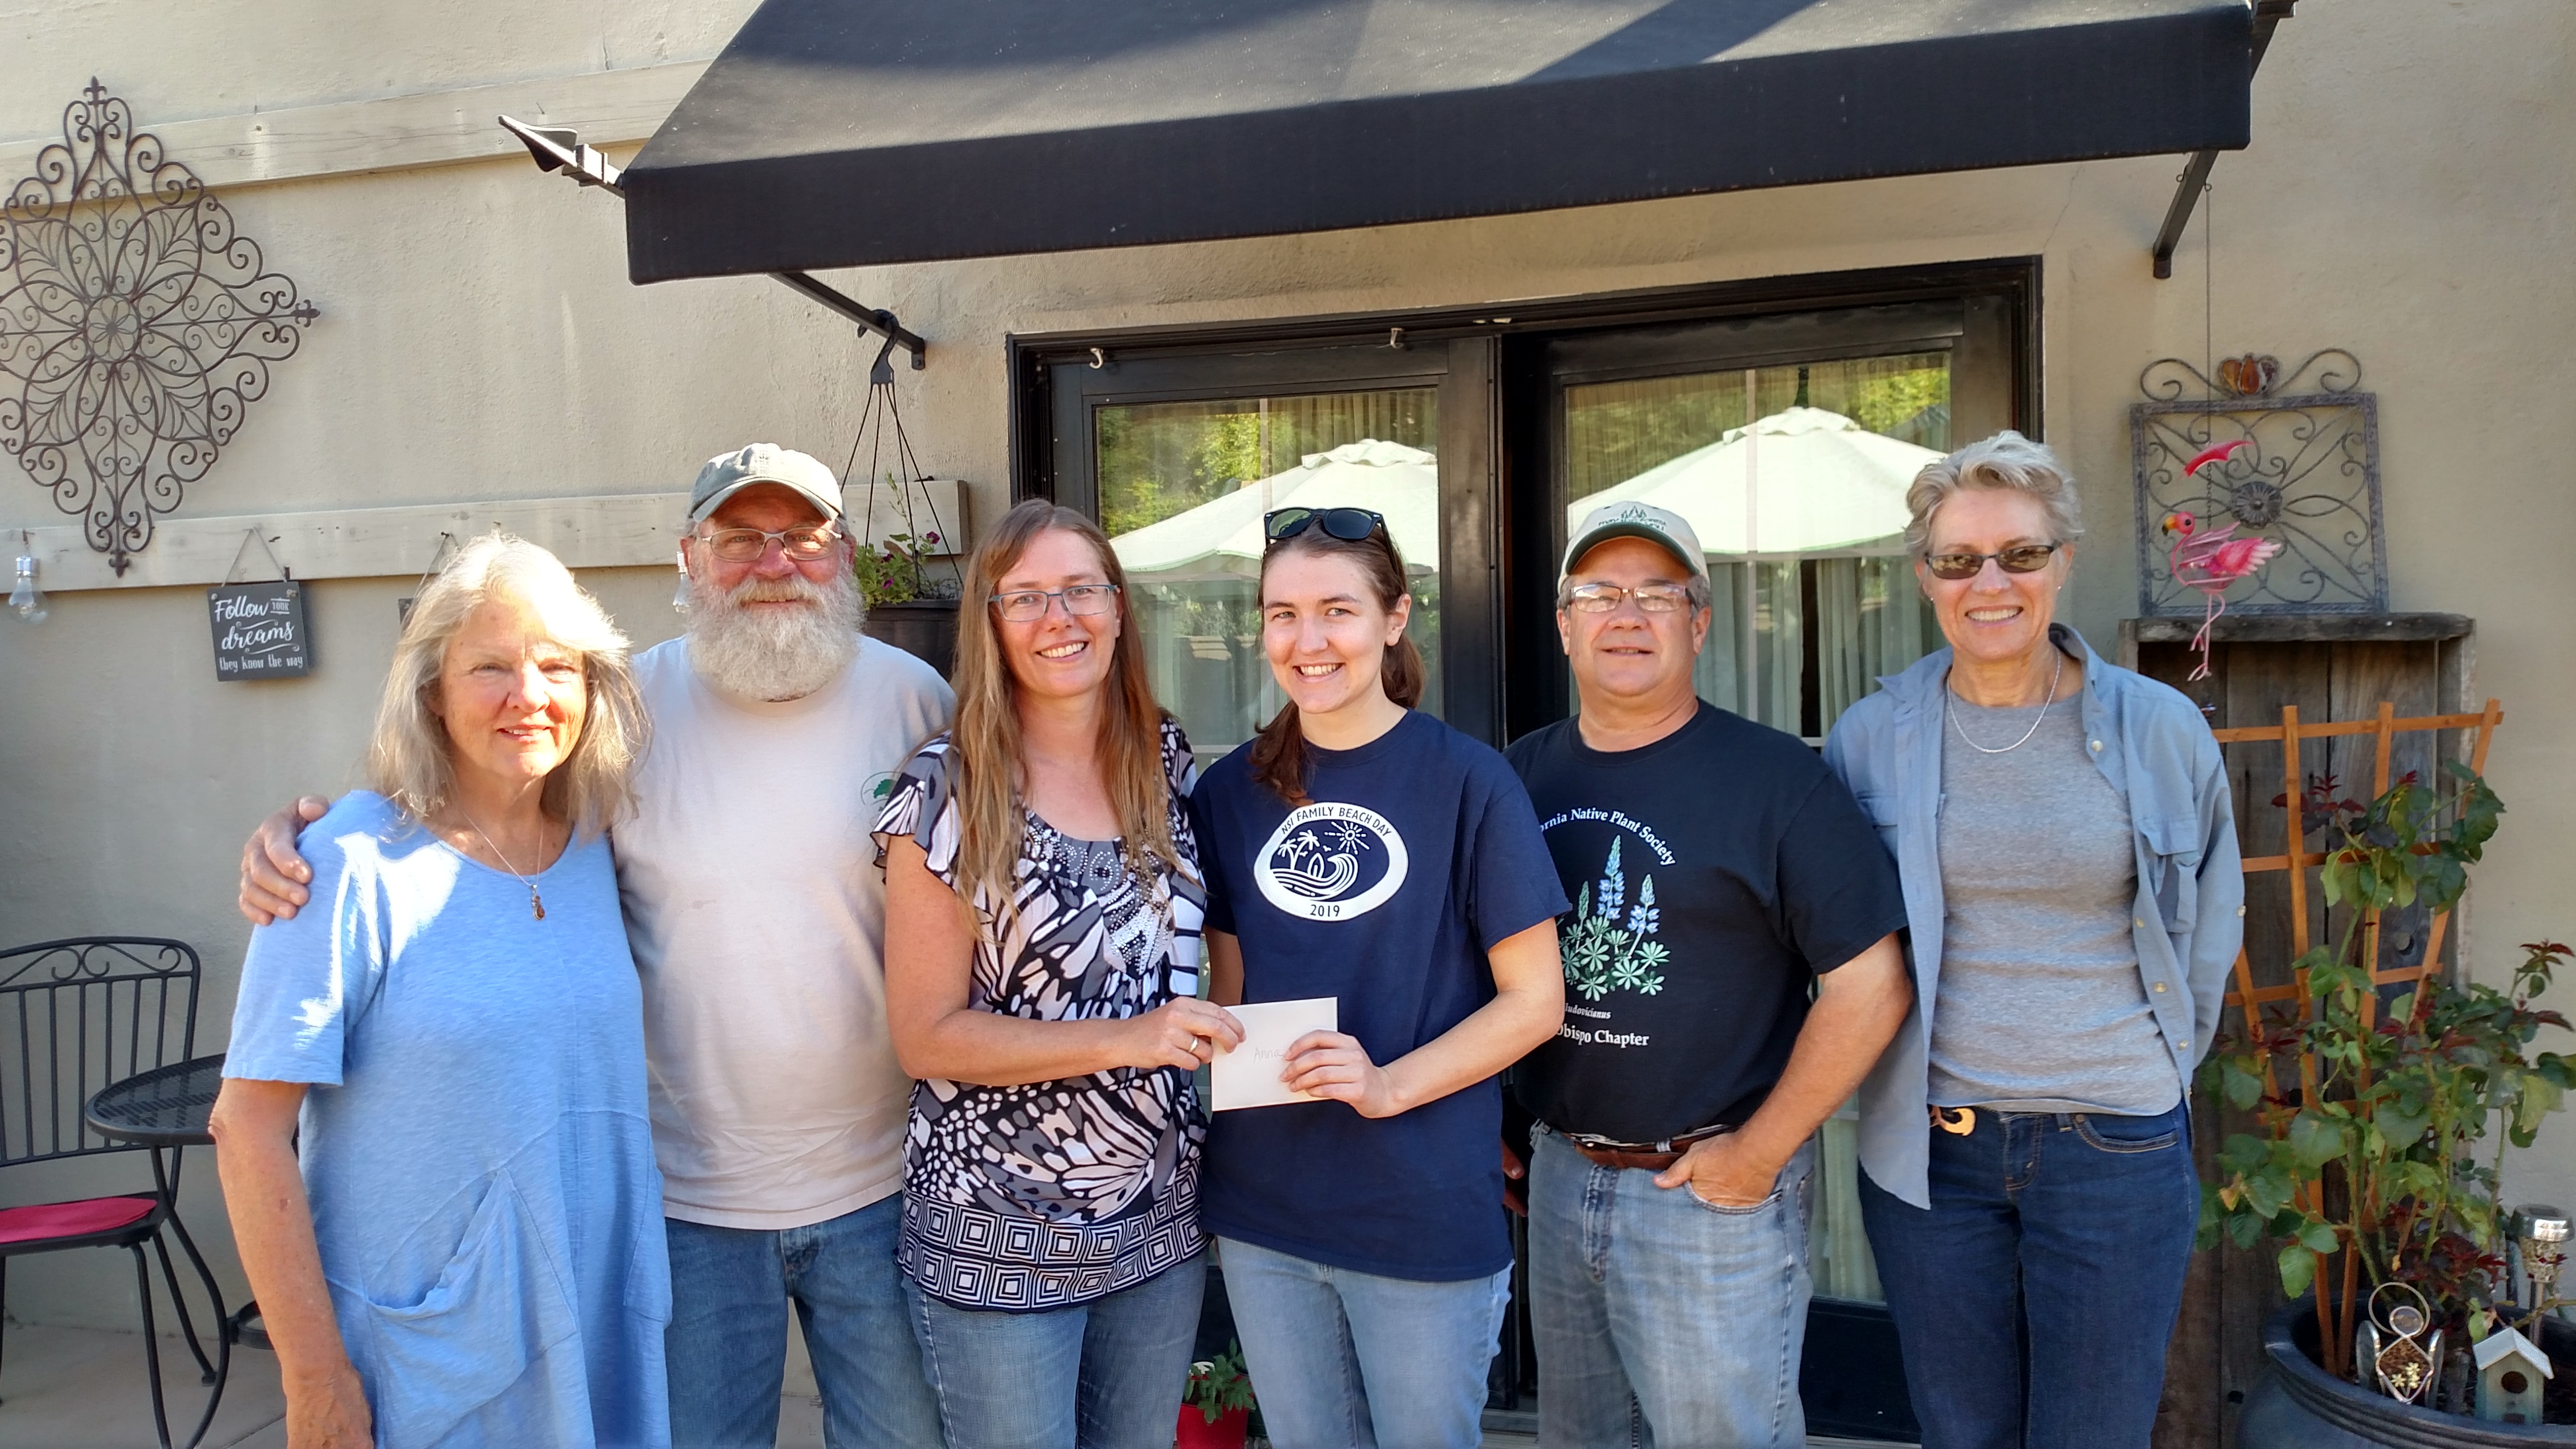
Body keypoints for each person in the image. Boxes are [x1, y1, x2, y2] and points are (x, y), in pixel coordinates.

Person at [238, 445, 954, 1449]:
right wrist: (303, 835)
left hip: (882, 1191)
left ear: (843, 558)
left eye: (800, 537)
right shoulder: (620, 717)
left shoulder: (920, 701)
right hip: (684, 1207)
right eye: (739, 539)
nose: (772, 561)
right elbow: (478, 810)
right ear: (688, 559)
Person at [1823, 432, 2244, 1449]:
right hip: (1934, 1150)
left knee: (2090, 1431)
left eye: (2017, 553)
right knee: (1960, 1431)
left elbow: (2208, 917)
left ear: (2061, 561)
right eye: (1958, 559)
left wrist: (2151, 1072)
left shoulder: (2156, 727)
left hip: (2114, 1143)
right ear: (1925, 577)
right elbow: (1840, 939)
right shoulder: (1870, 735)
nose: (1988, 583)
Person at [211, 536, 667, 1448]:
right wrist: (314, 1380)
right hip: (430, 1359)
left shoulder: (593, 845)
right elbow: (247, 1127)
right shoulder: (345, 864)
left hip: (595, 1325)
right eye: (490, 667)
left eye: (556, 667)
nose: (529, 696)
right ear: (433, 693)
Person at [1502, 502, 1913, 1449]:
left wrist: (1760, 1154)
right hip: (1564, 1177)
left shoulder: (1776, 781)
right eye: (1600, 594)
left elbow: (1872, 984)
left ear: (1700, 621)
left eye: (1658, 593)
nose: (1628, 615)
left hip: (1709, 1189)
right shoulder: (1520, 776)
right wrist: (1490, 1125)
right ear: (1565, 626)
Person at [1187, 505, 1568, 1449]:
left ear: (1394, 619)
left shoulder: (1469, 781)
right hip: (1268, 1210)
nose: (1307, 641)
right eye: (1282, 614)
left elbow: (1536, 1002)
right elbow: (1239, 992)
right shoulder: (1230, 790)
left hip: (1421, 1210)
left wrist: (1388, 1084)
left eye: (1337, 611)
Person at [874, 499, 1236, 1449]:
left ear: (1118, 608)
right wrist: (1136, 1038)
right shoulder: (944, 792)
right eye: (1025, 598)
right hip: (1000, 1233)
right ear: (990, 623)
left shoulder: (1163, 759)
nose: (1058, 618)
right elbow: (925, 1035)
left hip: (1159, 1223)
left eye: (1081, 590)